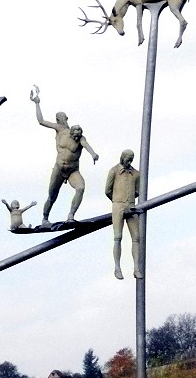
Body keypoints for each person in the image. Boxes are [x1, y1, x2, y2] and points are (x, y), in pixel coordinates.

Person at [30, 87, 99, 228]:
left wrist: (93, 154)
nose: (60, 120)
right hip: (59, 169)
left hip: (72, 170)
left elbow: (86, 145)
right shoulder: (60, 130)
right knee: (52, 196)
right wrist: (37, 103)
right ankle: (45, 218)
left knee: (80, 187)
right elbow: (41, 121)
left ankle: (71, 215)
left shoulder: (80, 137)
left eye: (62, 118)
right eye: (58, 119)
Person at [105, 149, 141, 280]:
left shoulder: (136, 174)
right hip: (118, 204)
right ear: (122, 157)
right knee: (118, 236)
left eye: (131, 159)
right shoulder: (114, 171)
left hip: (131, 205)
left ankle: (136, 267)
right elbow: (107, 190)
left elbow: (138, 190)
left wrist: (129, 200)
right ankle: (117, 267)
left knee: (136, 237)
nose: (129, 161)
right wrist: (117, 200)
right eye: (128, 158)